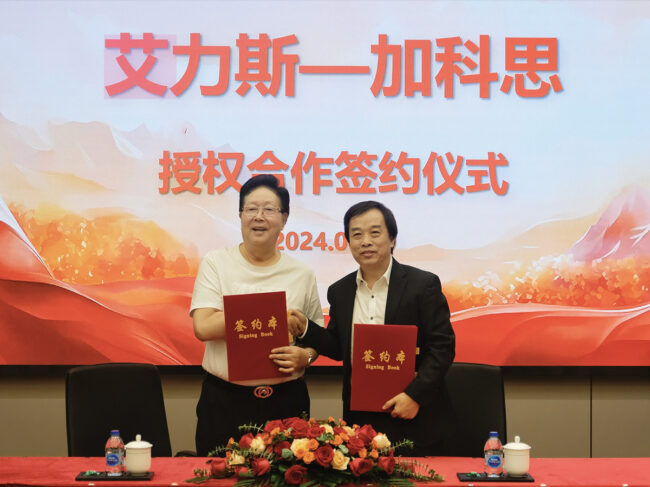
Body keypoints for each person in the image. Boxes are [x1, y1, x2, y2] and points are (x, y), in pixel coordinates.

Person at [291, 201, 455, 456]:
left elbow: (442, 348)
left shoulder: (423, 285)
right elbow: (338, 347)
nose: (365, 241)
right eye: (356, 234)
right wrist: (305, 329)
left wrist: (415, 396)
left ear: (392, 239)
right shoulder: (340, 291)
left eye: (375, 233)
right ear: (348, 242)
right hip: (360, 418)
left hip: (414, 412)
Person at [190, 174, 323, 456]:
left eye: (269, 210)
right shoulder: (216, 263)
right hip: (225, 400)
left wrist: (306, 356)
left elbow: (316, 338)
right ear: (240, 215)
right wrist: (270, 314)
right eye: (251, 209)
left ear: (284, 218)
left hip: (286, 402)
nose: (258, 217)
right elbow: (203, 326)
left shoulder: (302, 274)